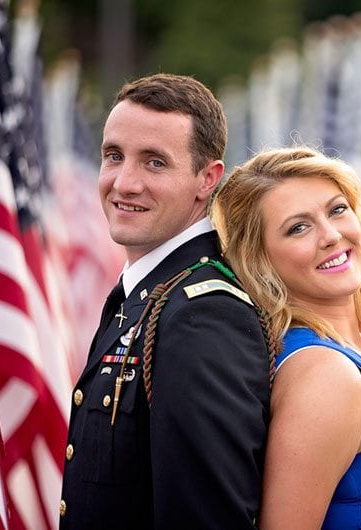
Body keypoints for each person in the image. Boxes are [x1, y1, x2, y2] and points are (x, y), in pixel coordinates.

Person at [60, 73, 270, 530]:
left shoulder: (202, 315)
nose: (124, 183)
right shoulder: (146, 291)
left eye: (154, 163)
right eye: (113, 156)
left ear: (206, 179)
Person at [211, 146, 361, 529]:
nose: (330, 235)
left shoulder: (346, 355)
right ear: (260, 261)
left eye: (337, 210)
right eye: (298, 227)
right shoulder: (325, 375)